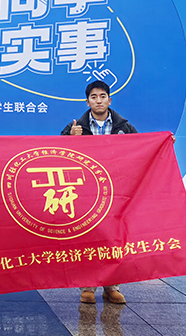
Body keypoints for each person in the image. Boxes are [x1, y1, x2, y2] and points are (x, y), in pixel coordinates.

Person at [60, 80, 137, 304]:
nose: (98, 101)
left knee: (113, 238)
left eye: (102, 96)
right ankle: (88, 286)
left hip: (115, 191)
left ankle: (112, 286)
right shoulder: (76, 127)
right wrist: (70, 139)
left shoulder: (124, 127)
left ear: (109, 100)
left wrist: (164, 142)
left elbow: (141, 148)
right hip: (87, 192)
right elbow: (58, 153)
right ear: (87, 102)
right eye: (93, 97)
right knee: (89, 237)